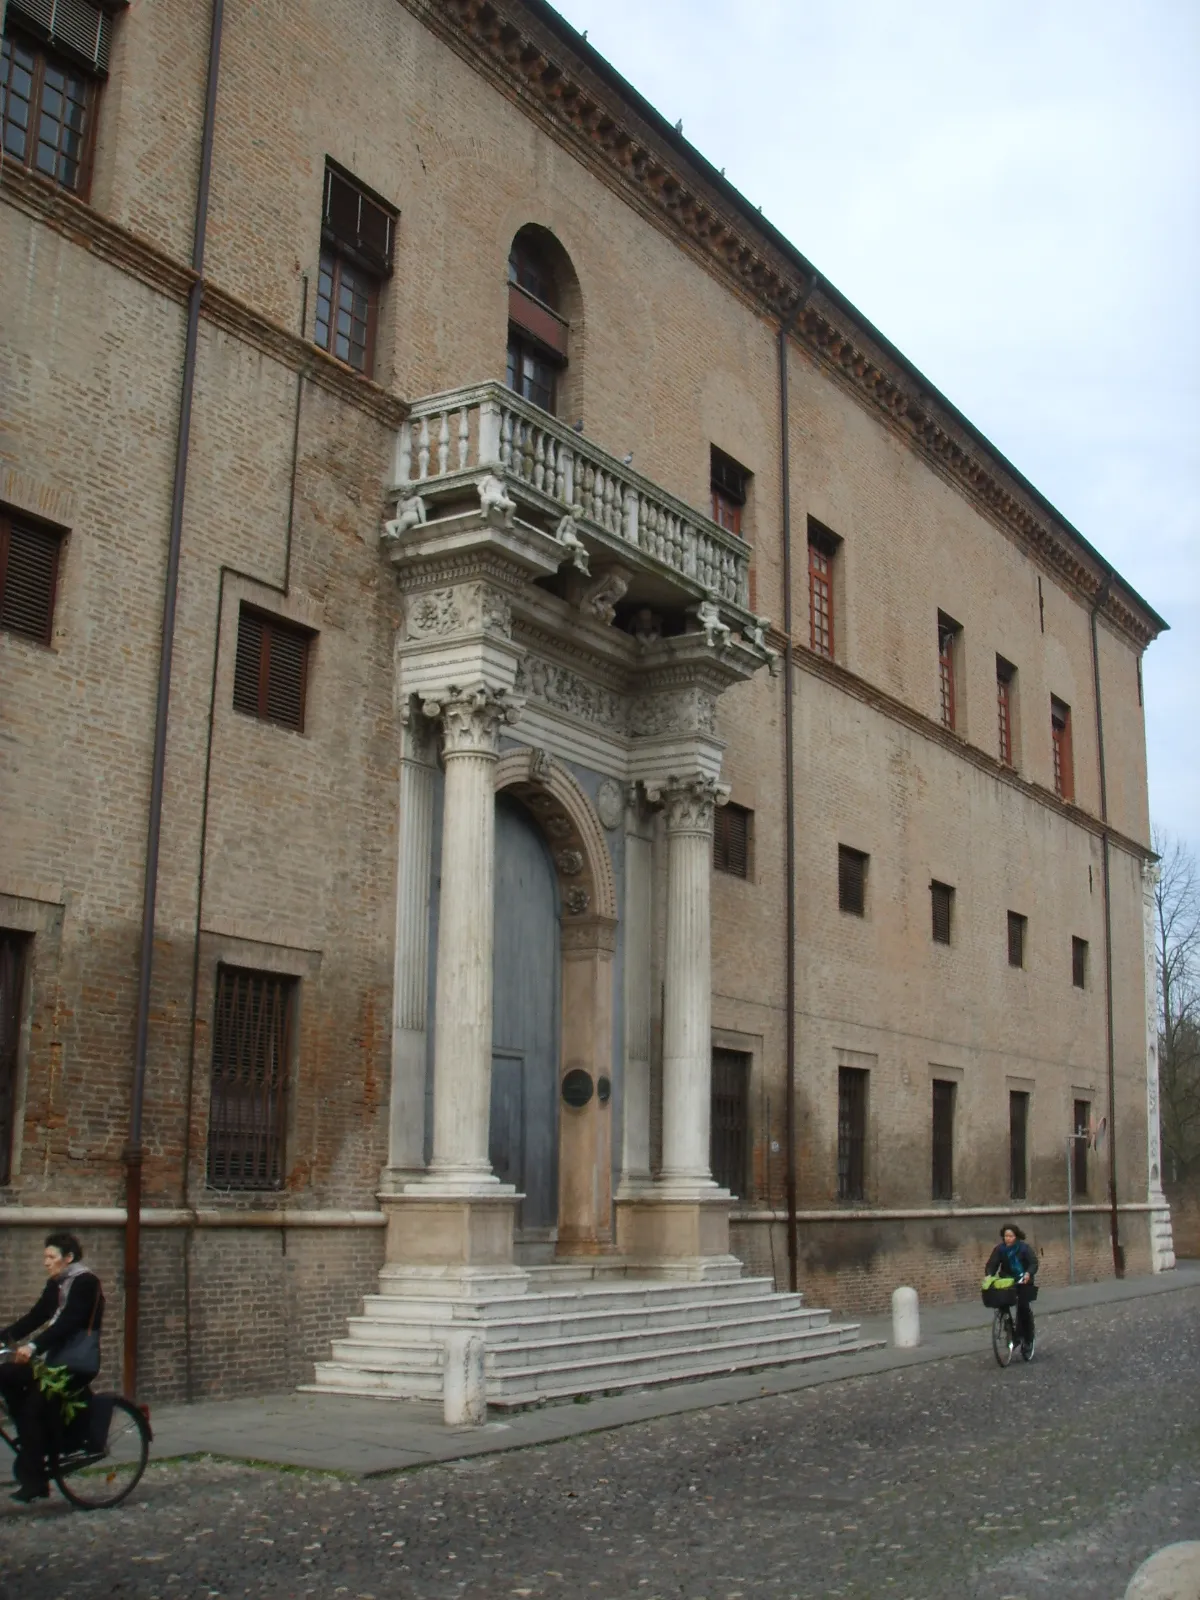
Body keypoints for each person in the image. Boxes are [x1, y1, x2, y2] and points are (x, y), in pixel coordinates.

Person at [0, 1231, 105, 1502]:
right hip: (55, 1359)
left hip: (76, 1363)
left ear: (68, 1258)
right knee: (8, 1376)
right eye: (44, 1257)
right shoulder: (56, 1284)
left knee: (35, 1406)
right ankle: (33, 1444)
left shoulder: (85, 1283)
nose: (46, 1262)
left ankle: (35, 1479)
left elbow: (68, 1322)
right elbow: (36, 1316)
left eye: (51, 1257)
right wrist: (4, 1337)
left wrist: (33, 1347)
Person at [984, 1223, 1037, 1354]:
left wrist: (1028, 1273)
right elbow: (992, 1264)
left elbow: (1033, 1263)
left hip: (1023, 1280)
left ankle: (1028, 1339)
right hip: (1007, 1281)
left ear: (1016, 1236)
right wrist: (989, 1275)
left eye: (1011, 1236)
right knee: (1003, 1303)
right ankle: (1010, 1332)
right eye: (1006, 1236)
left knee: (1023, 1308)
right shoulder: (1000, 1249)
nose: (1008, 1238)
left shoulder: (1024, 1248)